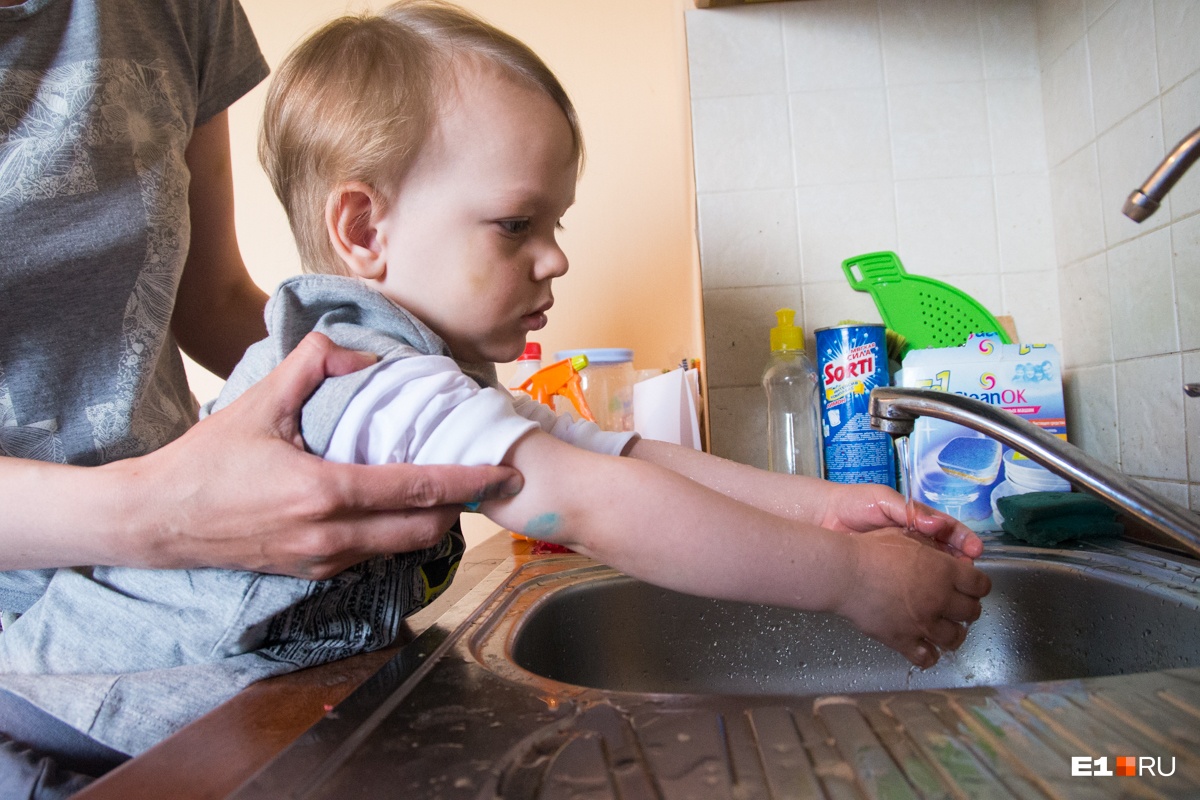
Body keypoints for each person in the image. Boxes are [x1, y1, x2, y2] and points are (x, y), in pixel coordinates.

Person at [0, 0, 991, 785]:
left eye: (554, 221)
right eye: (516, 224)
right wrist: (849, 579)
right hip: (66, 712)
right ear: (364, 228)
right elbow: (597, 500)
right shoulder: (368, 376)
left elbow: (622, 454)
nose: (556, 256)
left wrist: (827, 506)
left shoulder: (413, 367)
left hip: (151, 709)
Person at [0, 0, 518, 794]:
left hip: (179, 623)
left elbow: (209, 299)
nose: (550, 260)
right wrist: (156, 513)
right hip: (48, 660)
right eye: (517, 225)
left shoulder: (178, 10)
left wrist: (409, 388)